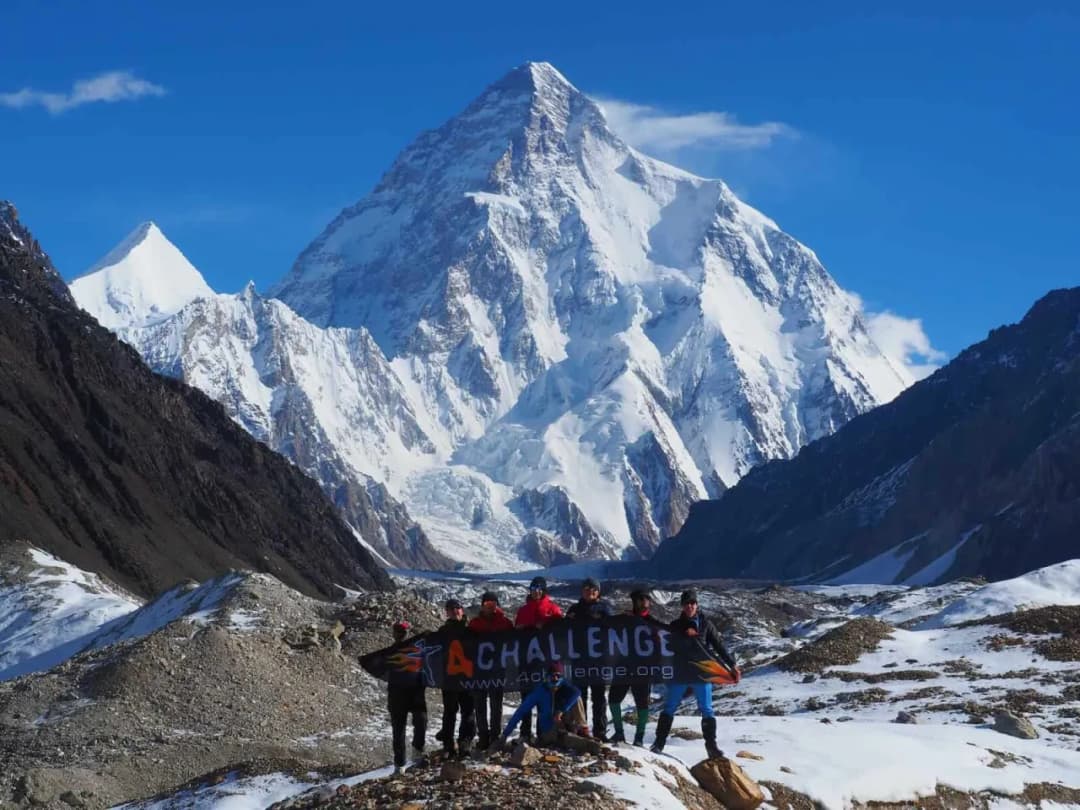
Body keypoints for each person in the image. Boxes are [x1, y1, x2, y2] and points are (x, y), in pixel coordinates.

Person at [650, 590, 739, 759]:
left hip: (702, 673)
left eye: (692, 603)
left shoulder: (706, 624)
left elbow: (718, 646)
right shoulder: (676, 625)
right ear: (682, 606)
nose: (690, 606)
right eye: (686, 603)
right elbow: (669, 645)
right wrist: (684, 637)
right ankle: (659, 743)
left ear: (697, 605)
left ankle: (711, 747)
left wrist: (732, 665)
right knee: (670, 707)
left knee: (707, 709)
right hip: (681, 673)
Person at [513, 576, 563, 741]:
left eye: (539, 589)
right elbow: (516, 634)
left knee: (545, 698)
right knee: (526, 698)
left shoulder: (552, 608)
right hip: (527, 661)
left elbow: (560, 630)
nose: (536, 592)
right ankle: (525, 733)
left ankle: (544, 733)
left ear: (544, 590)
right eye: (533, 588)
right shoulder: (523, 610)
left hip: (546, 662)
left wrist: (546, 624)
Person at [565, 577, 613, 740]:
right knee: (580, 696)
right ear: (582, 591)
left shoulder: (605, 609)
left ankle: (600, 731)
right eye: (587, 589)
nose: (590, 592)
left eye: (594, 589)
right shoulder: (574, 609)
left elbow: (613, 627)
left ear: (598, 592)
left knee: (599, 697)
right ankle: (581, 728)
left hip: (598, 661)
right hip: (579, 660)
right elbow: (562, 630)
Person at [468, 591, 514, 750]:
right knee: (479, 705)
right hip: (479, 671)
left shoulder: (505, 623)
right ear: (482, 605)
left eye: (493, 604)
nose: (490, 608)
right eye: (487, 604)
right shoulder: (474, 623)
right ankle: (483, 737)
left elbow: (515, 642)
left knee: (496, 705)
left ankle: (495, 736)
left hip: (497, 670)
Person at [608, 588, 653, 745]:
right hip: (624, 667)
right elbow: (604, 624)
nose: (643, 603)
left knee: (642, 704)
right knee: (613, 699)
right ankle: (619, 733)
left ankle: (639, 738)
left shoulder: (652, 622)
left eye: (645, 600)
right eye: (640, 600)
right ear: (634, 602)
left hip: (643, 669)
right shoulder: (624, 619)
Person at [498, 663, 583, 746]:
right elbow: (521, 711)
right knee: (571, 741)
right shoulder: (540, 691)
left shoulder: (565, 686)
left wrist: (560, 711)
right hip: (548, 731)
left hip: (564, 725)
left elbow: (577, 692)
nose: (555, 678)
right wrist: (505, 734)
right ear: (547, 676)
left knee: (577, 699)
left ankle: (583, 729)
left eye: (558, 676)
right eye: (552, 676)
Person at [434, 599, 475, 757]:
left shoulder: (471, 629)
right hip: (450, 678)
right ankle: (448, 744)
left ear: (462, 610)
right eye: (451, 609)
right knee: (449, 712)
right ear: (447, 612)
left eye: (457, 608)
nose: (454, 611)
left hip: (468, 677)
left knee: (468, 711)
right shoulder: (443, 631)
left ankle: (465, 742)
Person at [387, 619, 427, 774]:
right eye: (398, 631)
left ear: (408, 632)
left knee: (421, 721)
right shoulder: (389, 652)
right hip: (396, 696)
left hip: (415, 694)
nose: (400, 634)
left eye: (403, 631)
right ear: (394, 633)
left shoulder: (417, 650)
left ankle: (417, 753)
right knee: (398, 732)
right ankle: (399, 765)